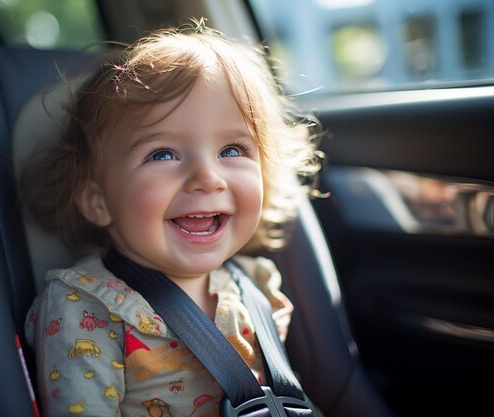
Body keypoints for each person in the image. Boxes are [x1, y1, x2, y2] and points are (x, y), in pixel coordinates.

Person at [21, 19, 321, 417]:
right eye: (162, 154)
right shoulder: (85, 306)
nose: (207, 178)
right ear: (98, 201)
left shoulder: (255, 287)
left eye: (232, 149)